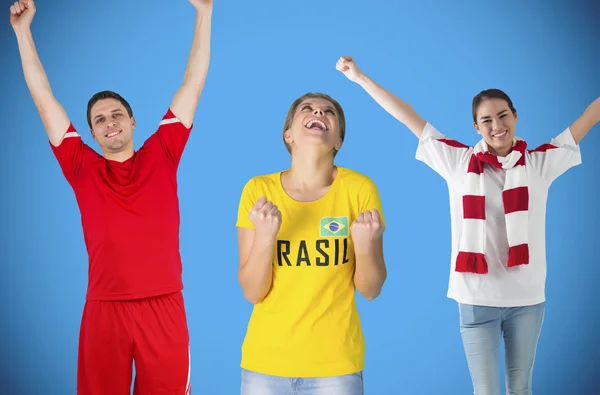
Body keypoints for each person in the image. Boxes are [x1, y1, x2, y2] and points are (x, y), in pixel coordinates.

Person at [336, 56, 599, 395]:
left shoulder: (539, 163)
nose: (497, 125)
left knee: (521, 389)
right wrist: (359, 78)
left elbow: (589, 118)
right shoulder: (458, 160)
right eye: (486, 120)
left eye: (503, 115)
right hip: (475, 298)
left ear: (515, 117)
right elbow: (406, 115)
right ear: (476, 127)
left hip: (527, 299)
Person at [10, 0, 213, 393]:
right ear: (90, 133)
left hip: (164, 306)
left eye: (116, 114)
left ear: (133, 121)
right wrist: (22, 32)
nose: (110, 122)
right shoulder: (81, 166)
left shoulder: (163, 152)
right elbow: (43, 99)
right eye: (99, 120)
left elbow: (193, 82)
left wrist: (203, 13)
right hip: (104, 309)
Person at [235, 92, 387, 395]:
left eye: (329, 111)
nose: (318, 111)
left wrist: (365, 245)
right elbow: (253, 292)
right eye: (307, 108)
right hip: (265, 364)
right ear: (288, 134)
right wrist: (266, 236)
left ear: (338, 142)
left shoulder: (359, 189)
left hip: (336, 367)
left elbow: (371, 290)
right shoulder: (258, 190)